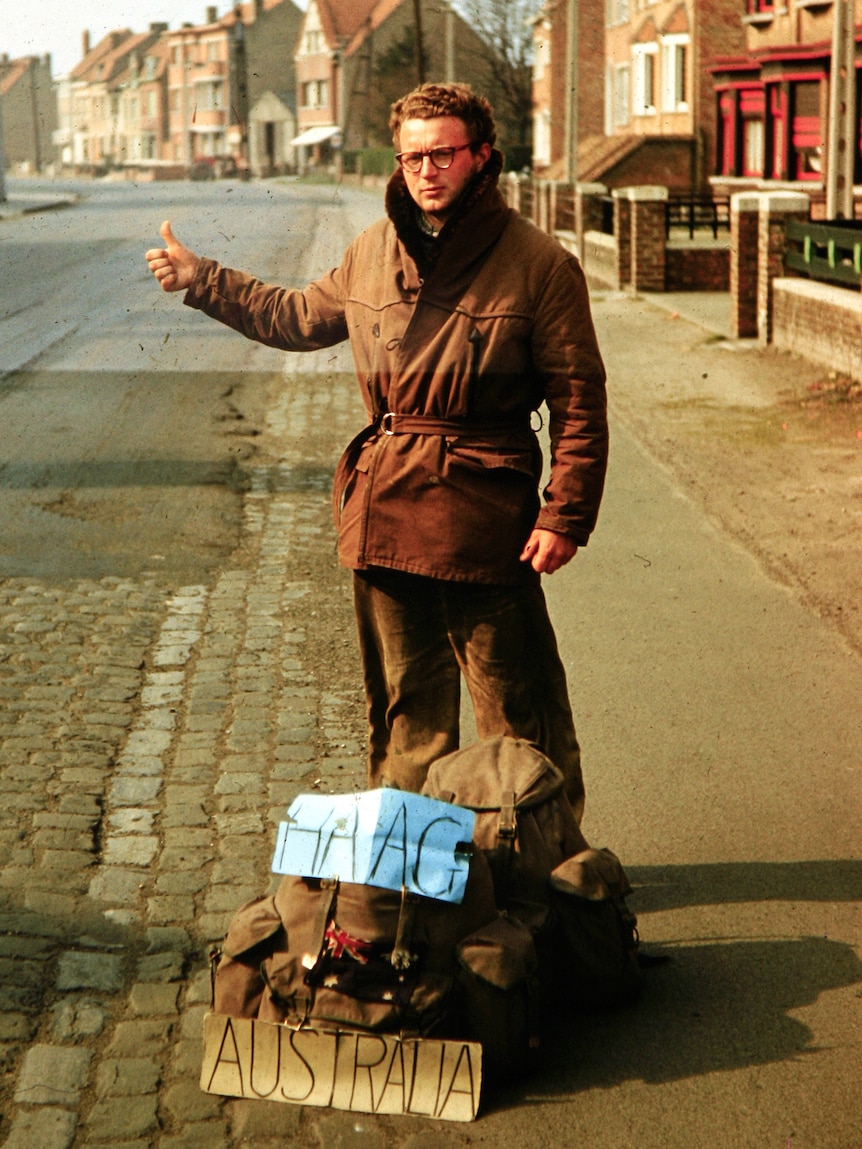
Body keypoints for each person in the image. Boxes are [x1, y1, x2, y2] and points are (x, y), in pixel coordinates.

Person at [145, 82, 607, 821]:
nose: (426, 170)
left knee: (520, 716)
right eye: (413, 156)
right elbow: (296, 315)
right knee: (407, 716)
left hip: (489, 524)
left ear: (482, 156)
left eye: (443, 154)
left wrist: (564, 514)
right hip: (387, 513)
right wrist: (207, 281)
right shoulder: (373, 252)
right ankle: (414, 884)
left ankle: (543, 874)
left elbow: (580, 401)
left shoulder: (538, 263)